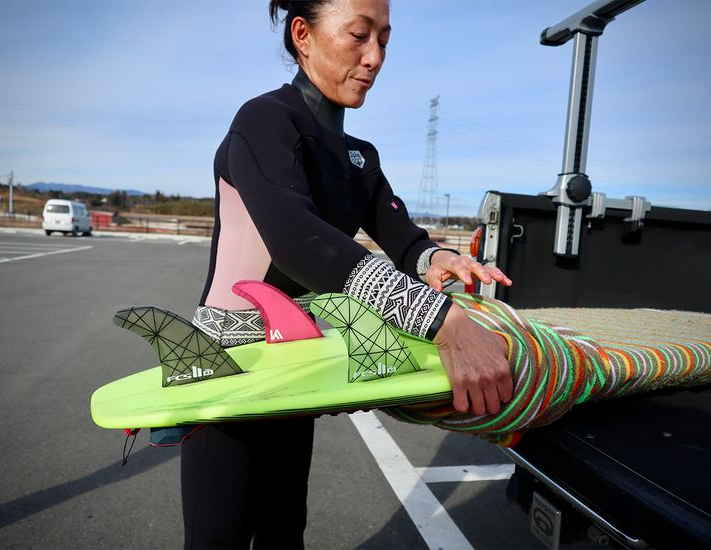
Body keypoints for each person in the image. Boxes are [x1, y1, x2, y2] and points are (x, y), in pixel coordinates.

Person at [180, 0, 514, 546]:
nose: (375, 57)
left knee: (286, 531)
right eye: (359, 36)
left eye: (384, 39)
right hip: (225, 362)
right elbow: (298, 242)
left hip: (294, 361)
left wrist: (437, 260)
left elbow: (404, 240)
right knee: (219, 536)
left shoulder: (362, 156)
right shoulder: (264, 121)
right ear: (303, 35)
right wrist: (441, 322)